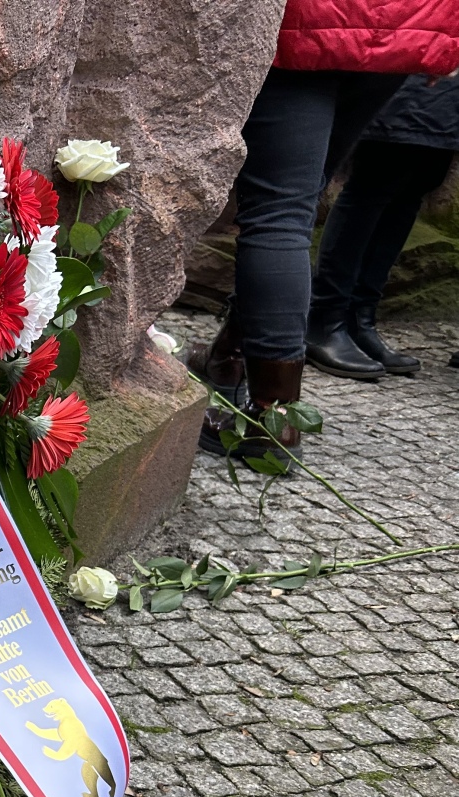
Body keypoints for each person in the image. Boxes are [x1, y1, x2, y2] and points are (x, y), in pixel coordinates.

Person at [190, 0, 459, 457]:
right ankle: (228, 359)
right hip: (401, 24)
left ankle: (271, 422)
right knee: (296, 200)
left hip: (309, 21)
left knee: (279, 211)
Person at [307, 75, 459, 376]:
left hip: (448, 87)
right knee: (377, 183)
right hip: (414, 67)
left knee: (414, 189)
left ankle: (359, 319)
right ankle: (325, 320)